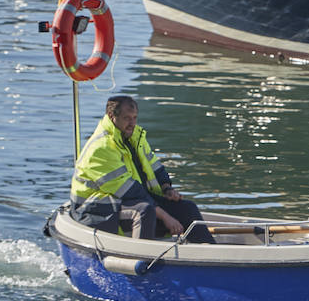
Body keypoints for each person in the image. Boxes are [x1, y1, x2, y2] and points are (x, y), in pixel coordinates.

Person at [68, 95, 216, 243]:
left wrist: (166, 188)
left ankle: (210, 253)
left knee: (187, 208)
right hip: (93, 211)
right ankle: (143, 259)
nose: (132, 123)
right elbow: (129, 192)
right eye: (127, 118)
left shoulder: (136, 137)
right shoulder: (101, 148)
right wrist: (166, 217)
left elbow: (155, 168)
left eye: (135, 118)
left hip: (126, 200)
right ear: (112, 116)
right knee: (143, 211)